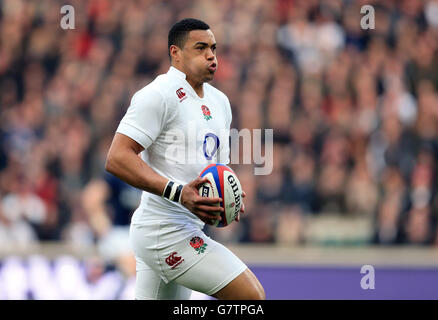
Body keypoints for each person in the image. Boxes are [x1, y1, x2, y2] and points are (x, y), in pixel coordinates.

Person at [105, 18, 265, 300]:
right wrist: (179, 193)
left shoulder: (220, 102)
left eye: (213, 48)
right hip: (164, 232)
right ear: (175, 53)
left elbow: (217, 171)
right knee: (251, 298)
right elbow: (117, 158)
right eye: (200, 48)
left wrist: (230, 197)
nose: (211, 55)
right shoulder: (158, 94)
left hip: (187, 228)